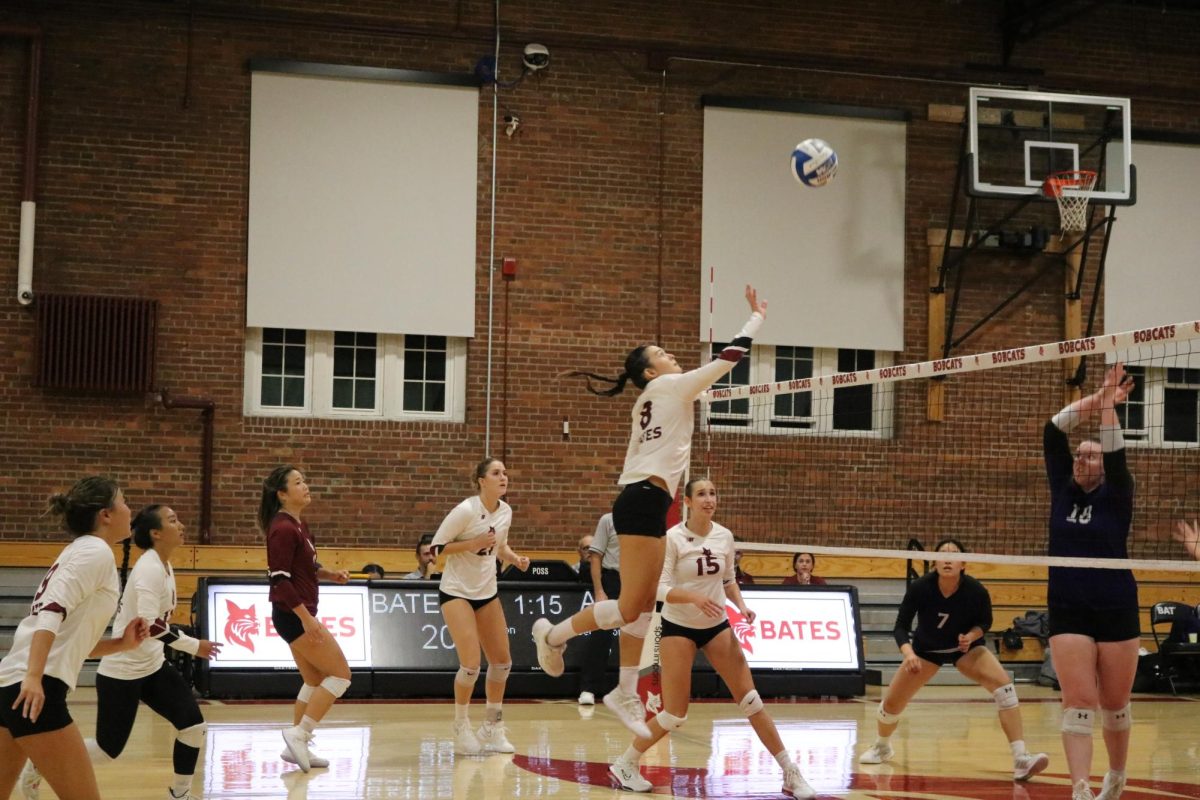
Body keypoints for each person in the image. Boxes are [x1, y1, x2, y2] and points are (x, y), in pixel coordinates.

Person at [532, 284, 767, 739]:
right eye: (661, 351)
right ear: (649, 370)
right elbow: (729, 357)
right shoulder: (671, 386)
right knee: (627, 607)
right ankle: (554, 637)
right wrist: (756, 318)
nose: (671, 354)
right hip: (642, 501)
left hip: (650, 502)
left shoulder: (652, 398)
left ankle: (622, 689)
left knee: (640, 606)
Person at [607, 478, 815, 798]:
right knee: (675, 714)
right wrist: (692, 598)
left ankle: (790, 772)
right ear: (687, 502)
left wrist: (742, 607)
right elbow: (658, 589)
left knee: (751, 700)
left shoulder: (724, 536)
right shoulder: (672, 539)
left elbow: (729, 580)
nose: (709, 499)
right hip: (679, 627)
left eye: (713, 493)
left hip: (716, 625)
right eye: (702, 494)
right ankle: (625, 763)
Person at [22, 504, 224, 800]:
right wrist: (195, 646)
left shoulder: (163, 564)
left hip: (152, 666)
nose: (181, 525)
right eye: (172, 520)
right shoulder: (149, 569)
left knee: (193, 726)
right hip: (121, 672)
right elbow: (150, 626)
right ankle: (41, 763)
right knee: (107, 751)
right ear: (156, 533)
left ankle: (180, 794)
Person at [0, 477, 148, 800]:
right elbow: (52, 610)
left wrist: (122, 644)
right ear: (105, 514)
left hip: (9, 686)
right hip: (35, 689)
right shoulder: (95, 552)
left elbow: (67, 638)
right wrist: (35, 676)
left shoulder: (82, 552)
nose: (129, 509)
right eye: (123, 501)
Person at [857, 538, 1050, 783]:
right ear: (935, 563)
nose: (947, 557)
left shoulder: (976, 590)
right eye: (942, 554)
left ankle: (1021, 758)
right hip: (926, 651)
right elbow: (900, 628)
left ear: (964, 564)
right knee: (889, 708)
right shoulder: (920, 588)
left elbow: (985, 623)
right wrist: (909, 655)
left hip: (964, 649)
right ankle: (882, 746)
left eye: (954, 553)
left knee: (1006, 691)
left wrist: (971, 637)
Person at [1043, 364, 1139, 800]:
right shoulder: (1062, 489)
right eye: (1079, 454)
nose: (1082, 458)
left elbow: (1116, 453)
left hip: (1116, 606)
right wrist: (1098, 398)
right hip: (1068, 607)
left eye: (1091, 454)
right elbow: (1052, 430)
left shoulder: (1117, 493)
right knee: (1078, 704)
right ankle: (1079, 787)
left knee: (1115, 707)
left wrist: (1106, 412)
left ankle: (1115, 776)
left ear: (1103, 465)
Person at [432, 457, 530, 755]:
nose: (504, 477)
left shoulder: (506, 511)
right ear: (481, 480)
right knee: (472, 665)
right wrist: (470, 543)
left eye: (506, 473)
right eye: (497, 473)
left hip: (487, 591)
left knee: (502, 662)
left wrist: (514, 559)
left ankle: (493, 726)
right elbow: (434, 550)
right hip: (457, 592)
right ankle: (461, 726)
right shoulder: (466, 510)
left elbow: (499, 546)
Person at [262, 465, 351, 773]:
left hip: (295, 615)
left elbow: (306, 565)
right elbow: (279, 580)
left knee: (314, 680)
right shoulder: (283, 529)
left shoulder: (299, 525)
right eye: (298, 483)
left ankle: (295, 747)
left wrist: (329, 574)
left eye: (304, 481)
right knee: (340, 676)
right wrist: (306, 619)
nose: (306, 486)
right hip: (293, 615)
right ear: (282, 494)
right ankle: (300, 734)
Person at [578, 512, 641, 709]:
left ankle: (633, 690)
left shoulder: (648, 520)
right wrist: (599, 591)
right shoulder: (608, 520)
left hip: (638, 580)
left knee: (639, 634)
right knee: (601, 634)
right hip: (613, 580)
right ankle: (588, 688)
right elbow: (596, 556)